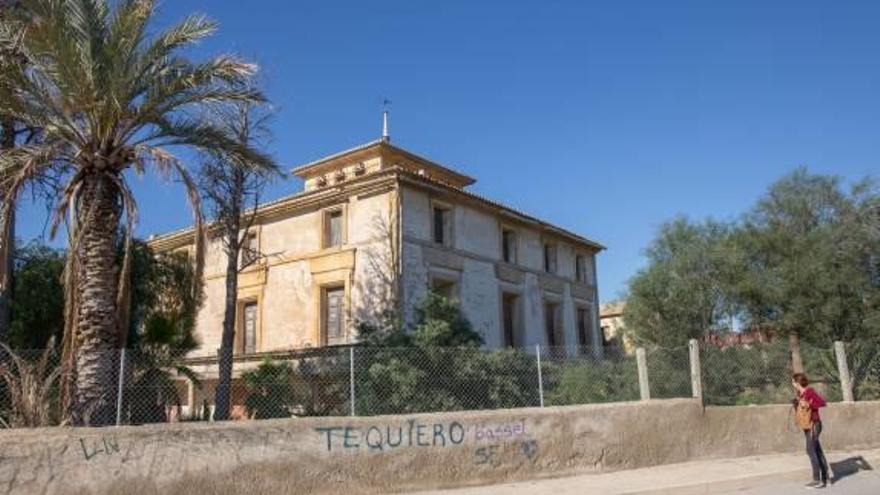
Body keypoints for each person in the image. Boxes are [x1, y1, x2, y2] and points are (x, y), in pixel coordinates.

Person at [792, 373, 830, 489]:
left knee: (810, 450)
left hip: (814, 425)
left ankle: (817, 480)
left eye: (793, 382)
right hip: (807, 426)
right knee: (817, 450)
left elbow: (822, 403)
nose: (792, 384)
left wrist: (809, 404)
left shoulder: (809, 391)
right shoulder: (800, 394)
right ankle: (825, 478)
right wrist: (797, 403)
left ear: (797, 383)